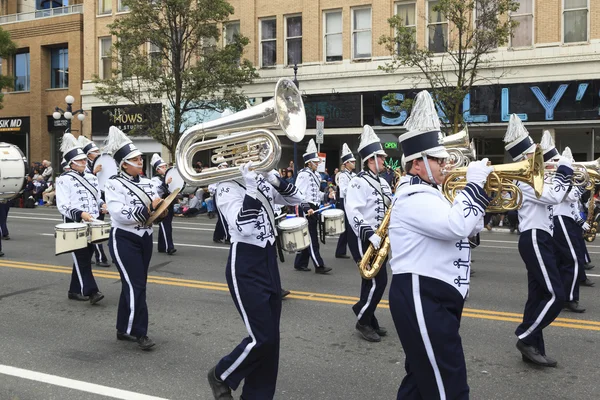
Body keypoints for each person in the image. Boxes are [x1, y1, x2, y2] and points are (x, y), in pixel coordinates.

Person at [388, 90, 492, 399]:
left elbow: (469, 229)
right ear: (417, 164)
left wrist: (479, 192)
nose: (447, 163)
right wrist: (472, 184)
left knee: (420, 382)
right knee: (450, 386)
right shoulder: (412, 195)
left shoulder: (433, 193)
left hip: (437, 296)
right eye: (438, 158)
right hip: (422, 294)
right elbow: (455, 224)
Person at [207, 162, 303, 400]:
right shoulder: (226, 188)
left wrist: (274, 179)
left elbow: (296, 199)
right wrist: (250, 188)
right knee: (262, 337)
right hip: (245, 264)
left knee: (272, 341)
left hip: (268, 259)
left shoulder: (260, 180)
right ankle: (220, 374)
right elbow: (244, 227)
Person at [503, 115, 573, 367]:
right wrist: (564, 168)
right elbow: (554, 197)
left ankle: (533, 348)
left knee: (537, 296)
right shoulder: (525, 180)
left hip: (541, 237)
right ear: (524, 159)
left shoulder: (535, 178)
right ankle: (526, 336)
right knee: (556, 294)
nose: (541, 160)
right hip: (534, 237)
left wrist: (558, 173)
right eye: (536, 156)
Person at [103, 126, 163, 350]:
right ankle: (140, 332)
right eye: (135, 159)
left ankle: (122, 328)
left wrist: (163, 209)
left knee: (133, 284)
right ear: (124, 164)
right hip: (124, 238)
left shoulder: (148, 182)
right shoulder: (113, 183)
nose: (140, 161)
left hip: (145, 237)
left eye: (139, 158)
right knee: (136, 285)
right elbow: (118, 212)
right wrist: (148, 210)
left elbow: (157, 204)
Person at [345, 127, 392, 342]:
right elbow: (352, 210)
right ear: (371, 159)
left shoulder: (382, 181)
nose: (385, 161)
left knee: (370, 281)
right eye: (381, 157)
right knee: (377, 281)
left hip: (380, 236)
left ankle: (368, 317)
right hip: (364, 237)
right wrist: (368, 233)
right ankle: (363, 320)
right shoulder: (358, 181)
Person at [56, 133, 106, 305]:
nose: (85, 162)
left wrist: (102, 205)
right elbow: (62, 205)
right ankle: (92, 291)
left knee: (85, 255)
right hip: (74, 223)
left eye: (85, 160)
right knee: (82, 257)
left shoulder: (92, 177)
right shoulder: (64, 179)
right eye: (81, 160)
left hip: (92, 222)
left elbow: (97, 198)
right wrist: (80, 214)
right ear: (72, 163)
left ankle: (73, 290)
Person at [550, 146, 588, 312]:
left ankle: (561, 296)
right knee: (573, 260)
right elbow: (571, 196)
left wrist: (580, 222)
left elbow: (572, 206)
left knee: (563, 260)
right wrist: (582, 185)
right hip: (560, 219)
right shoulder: (554, 177)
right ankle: (569, 297)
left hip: (566, 219)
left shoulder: (564, 177)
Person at [293, 139, 331, 274]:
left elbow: (316, 195)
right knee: (311, 238)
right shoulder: (303, 174)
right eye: (315, 162)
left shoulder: (316, 175)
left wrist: (327, 196)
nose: (317, 164)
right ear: (309, 163)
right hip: (306, 208)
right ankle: (319, 265)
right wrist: (305, 208)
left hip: (314, 207)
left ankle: (300, 263)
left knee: (307, 236)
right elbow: (298, 194)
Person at [79, 135, 111, 268]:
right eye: (95, 152)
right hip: (88, 201)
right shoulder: (85, 167)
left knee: (96, 228)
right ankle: (100, 257)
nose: (98, 153)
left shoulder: (99, 163)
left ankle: (90, 255)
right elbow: (83, 182)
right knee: (94, 229)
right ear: (88, 154)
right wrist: (94, 172)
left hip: (99, 198)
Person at [150, 154, 177, 255]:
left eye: (165, 166)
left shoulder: (168, 177)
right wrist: (165, 183)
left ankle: (161, 246)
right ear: (157, 169)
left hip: (169, 203)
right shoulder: (155, 180)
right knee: (166, 226)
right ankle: (169, 247)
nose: (165, 168)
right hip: (161, 204)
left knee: (166, 225)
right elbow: (157, 191)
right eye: (163, 167)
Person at [334, 143, 356, 259]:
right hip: (345, 202)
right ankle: (342, 251)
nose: (354, 163)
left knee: (348, 228)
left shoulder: (355, 175)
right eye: (352, 161)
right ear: (347, 163)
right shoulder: (343, 176)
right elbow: (344, 189)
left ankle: (340, 251)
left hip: (351, 203)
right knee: (348, 228)